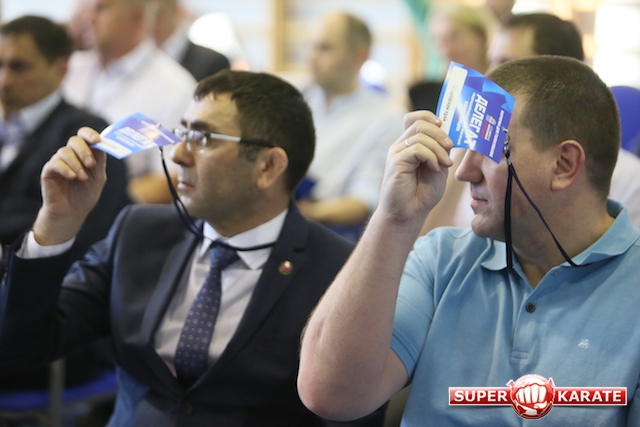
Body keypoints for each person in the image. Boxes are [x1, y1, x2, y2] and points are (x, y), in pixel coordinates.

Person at [0, 70, 385, 426]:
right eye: (181, 133)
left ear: (268, 166)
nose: (178, 154)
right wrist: (56, 222)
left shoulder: (340, 273)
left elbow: (354, 413)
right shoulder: (139, 232)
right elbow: (22, 345)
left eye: (201, 139)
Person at [298, 56, 640, 426]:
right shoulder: (442, 258)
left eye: (491, 149)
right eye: (468, 148)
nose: (464, 171)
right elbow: (329, 395)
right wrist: (393, 220)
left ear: (564, 165)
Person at [0, 15, 130, 389]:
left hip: (45, 326)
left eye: (19, 67)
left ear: (60, 70)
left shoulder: (86, 143)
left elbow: (80, 252)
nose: (4, 80)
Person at [422, 12, 640, 234]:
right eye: (491, 62)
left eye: (507, 64)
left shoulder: (627, 178)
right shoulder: (471, 158)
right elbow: (427, 243)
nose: (490, 77)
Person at [62, 0, 196, 204]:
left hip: (117, 210)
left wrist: (104, 205)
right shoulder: (70, 70)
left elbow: (172, 176)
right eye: (87, 9)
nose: (89, 18)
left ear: (138, 17)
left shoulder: (174, 88)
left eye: (101, 8)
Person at [298, 11, 405, 239]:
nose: (311, 57)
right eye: (310, 46)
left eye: (324, 48)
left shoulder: (386, 118)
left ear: (359, 56)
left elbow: (365, 201)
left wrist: (303, 213)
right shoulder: (297, 98)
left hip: (327, 232)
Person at [409, 4, 495, 112]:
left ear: (481, 37)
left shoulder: (502, 89)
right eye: (440, 41)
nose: (446, 50)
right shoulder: (423, 95)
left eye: (454, 37)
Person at [154, 0, 230, 81]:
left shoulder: (213, 61)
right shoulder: (149, 57)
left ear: (176, 11)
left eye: (158, 15)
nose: (152, 22)